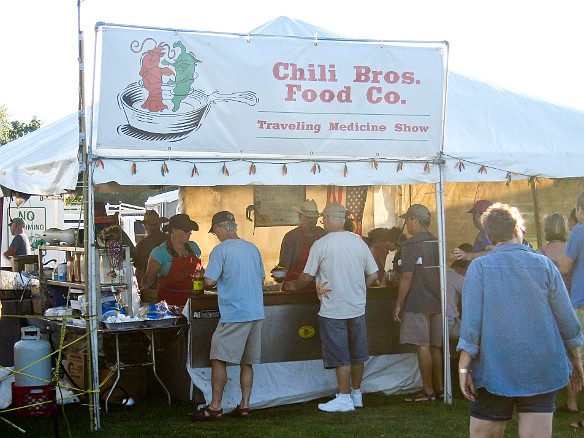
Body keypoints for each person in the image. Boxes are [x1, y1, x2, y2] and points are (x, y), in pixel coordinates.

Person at [458, 203, 584, 437]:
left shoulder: (479, 267)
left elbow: (471, 326)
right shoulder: (545, 265)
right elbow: (566, 320)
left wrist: (463, 367)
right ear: (518, 229)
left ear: (489, 234)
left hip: (493, 366)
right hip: (540, 367)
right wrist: (577, 360)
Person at [286, 202, 378, 412]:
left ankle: (344, 397)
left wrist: (293, 285)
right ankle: (356, 394)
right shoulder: (359, 243)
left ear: (328, 219)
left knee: (341, 355)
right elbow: (373, 275)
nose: (322, 222)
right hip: (357, 307)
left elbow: (307, 276)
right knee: (357, 354)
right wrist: (360, 290)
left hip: (333, 308)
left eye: (323, 218)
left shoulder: (321, 244)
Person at [191, 211, 265, 421]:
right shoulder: (252, 248)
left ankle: (215, 406)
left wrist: (203, 277)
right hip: (255, 312)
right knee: (247, 361)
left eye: (215, 232)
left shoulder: (220, 250)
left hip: (235, 313)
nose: (216, 235)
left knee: (218, 358)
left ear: (220, 228)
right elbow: (260, 280)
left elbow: (209, 282)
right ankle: (245, 405)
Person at [392, 204, 443, 402]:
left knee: (422, 345)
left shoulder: (410, 244)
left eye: (407, 220)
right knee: (434, 346)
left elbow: (406, 277)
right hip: (437, 299)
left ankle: (427, 390)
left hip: (418, 300)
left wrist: (398, 304)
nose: (406, 224)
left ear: (415, 220)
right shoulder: (438, 240)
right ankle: (439, 388)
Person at [141, 213, 201, 306]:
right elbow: (149, 277)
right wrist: (141, 290)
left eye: (190, 230)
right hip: (168, 304)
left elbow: (199, 271)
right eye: (185, 230)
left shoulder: (194, 247)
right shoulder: (160, 252)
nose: (189, 233)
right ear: (173, 231)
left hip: (192, 302)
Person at [278, 199, 325, 291]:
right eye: (308, 217)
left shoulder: (322, 234)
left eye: (314, 218)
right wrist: (279, 275)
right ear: (300, 217)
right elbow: (284, 265)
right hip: (294, 285)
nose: (311, 220)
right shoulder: (291, 237)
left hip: (317, 286)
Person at [133, 210, 169, 289]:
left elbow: (140, 268)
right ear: (160, 224)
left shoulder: (142, 244)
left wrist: (141, 287)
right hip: (170, 286)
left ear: (145, 226)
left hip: (151, 287)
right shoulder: (169, 240)